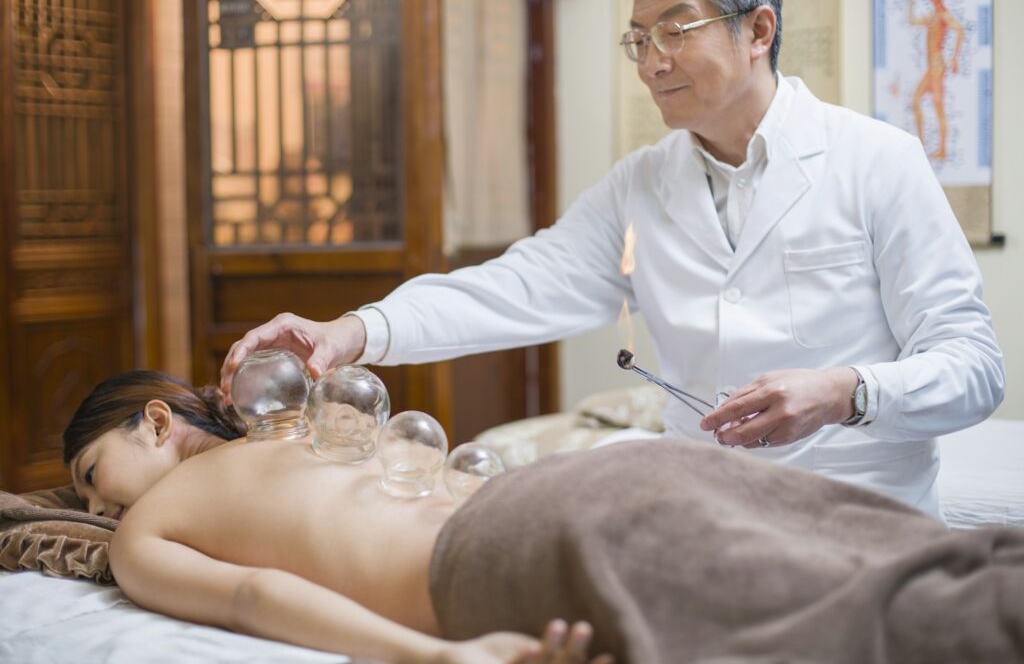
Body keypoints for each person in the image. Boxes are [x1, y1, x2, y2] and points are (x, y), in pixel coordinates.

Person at [220, 0, 1004, 517]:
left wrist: (846, 391)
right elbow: (515, 286)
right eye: (638, 38)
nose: (651, 61)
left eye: (675, 30)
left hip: (860, 523)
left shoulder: (877, 160)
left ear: (758, 29)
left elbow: (974, 367)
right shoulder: (642, 185)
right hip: (701, 520)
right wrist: (351, 332)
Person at [64, 371, 1024, 664]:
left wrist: (439, 658)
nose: (101, 510)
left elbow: (252, 593)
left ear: (153, 420)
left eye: (92, 476)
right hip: (575, 494)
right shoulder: (158, 531)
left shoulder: (260, 449)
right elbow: (251, 593)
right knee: (897, 566)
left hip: (527, 524)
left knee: (887, 606)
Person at [910, 0, 965, 161]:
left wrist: (955, 58)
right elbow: (911, 20)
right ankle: (922, 145)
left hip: (937, 67)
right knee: (916, 100)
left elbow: (960, 30)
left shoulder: (942, 14)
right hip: (931, 68)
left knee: (938, 106)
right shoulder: (932, 16)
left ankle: (942, 150)